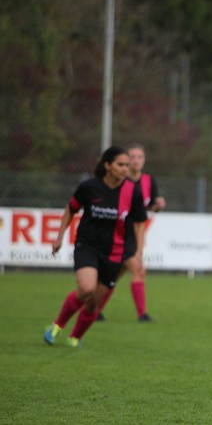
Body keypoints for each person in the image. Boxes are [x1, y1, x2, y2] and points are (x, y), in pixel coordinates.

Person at [43, 147, 147, 347]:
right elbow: (71, 209)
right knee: (86, 288)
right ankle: (57, 326)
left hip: (115, 252)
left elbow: (139, 223)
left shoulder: (132, 191)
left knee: (93, 304)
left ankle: (76, 338)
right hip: (87, 246)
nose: (125, 169)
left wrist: (139, 252)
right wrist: (59, 237)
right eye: (120, 164)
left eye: (127, 165)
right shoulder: (89, 187)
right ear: (107, 165)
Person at [96, 143, 163, 322]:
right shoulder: (120, 181)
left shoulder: (149, 181)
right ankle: (142, 314)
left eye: (139, 157)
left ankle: (94, 309)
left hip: (136, 232)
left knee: (114, 275)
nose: (135, 161)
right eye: (131, 157)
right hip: (121, 233)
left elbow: (151, 207)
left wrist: (158, 204)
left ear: (144, 160)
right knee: (138, 269)